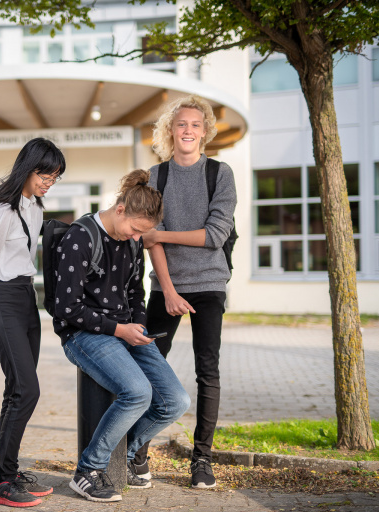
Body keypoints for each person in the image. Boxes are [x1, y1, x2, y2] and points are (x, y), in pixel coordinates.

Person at [54, 169, 190, 503]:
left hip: (126, 332)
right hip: (84, 334)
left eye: (142, 234)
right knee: (137, 392)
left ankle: (123, 457)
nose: (135, 237)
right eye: (134, 228)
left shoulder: (132, 242)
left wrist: (139, 328)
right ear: (119, 211)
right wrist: (119, 330)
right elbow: (66, 308)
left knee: (176, 401)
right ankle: (89, 470)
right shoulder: (80, 237)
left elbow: (135, 295)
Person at [138, 94, 238, 489]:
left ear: (206, 131)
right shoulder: (155, 176)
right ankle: (138, 452)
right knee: (148, 367)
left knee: (207, 371)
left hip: (210, 285)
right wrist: (167, 290)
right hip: (166, 287)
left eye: (196, 125)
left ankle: (202, 460)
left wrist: (160, 233)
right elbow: (148, 240)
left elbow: (215, 235)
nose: (189, 131)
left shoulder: (220, 173)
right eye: (182, 124)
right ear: (170, 130)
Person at [0, 137, 66, 508]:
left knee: (16, 391)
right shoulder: (1, 214)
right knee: (27, 389)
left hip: (25, 298)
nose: (48, 181)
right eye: (44, 173)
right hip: (0, 300)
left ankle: (6, 473)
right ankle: (2, 483)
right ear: (28, 167)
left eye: (54, 176)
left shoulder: (34, 208)